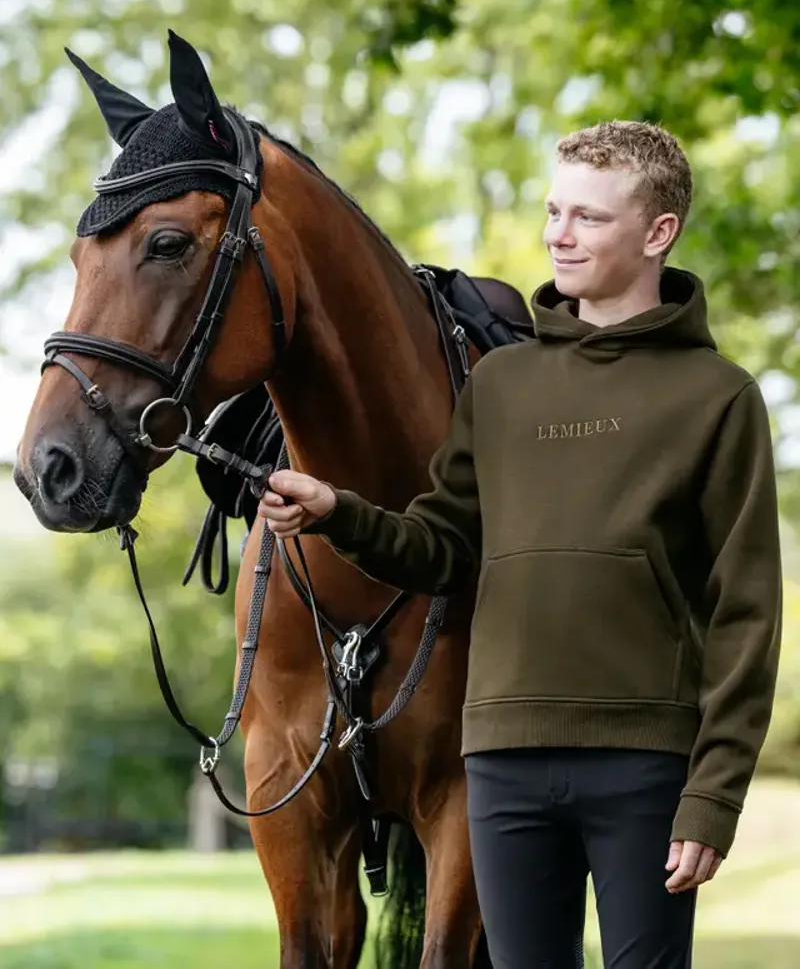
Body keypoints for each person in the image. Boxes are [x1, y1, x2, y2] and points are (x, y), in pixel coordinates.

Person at [258, 121, 782, 969]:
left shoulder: (718, 398)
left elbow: (747, 616)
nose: (558, 236)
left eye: (589, 218)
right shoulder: (501, 384)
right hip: (502, 763)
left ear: (658, 233)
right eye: (553, 211)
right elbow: (441, 548)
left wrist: (713, 795)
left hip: (645, 767)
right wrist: (338, 512)